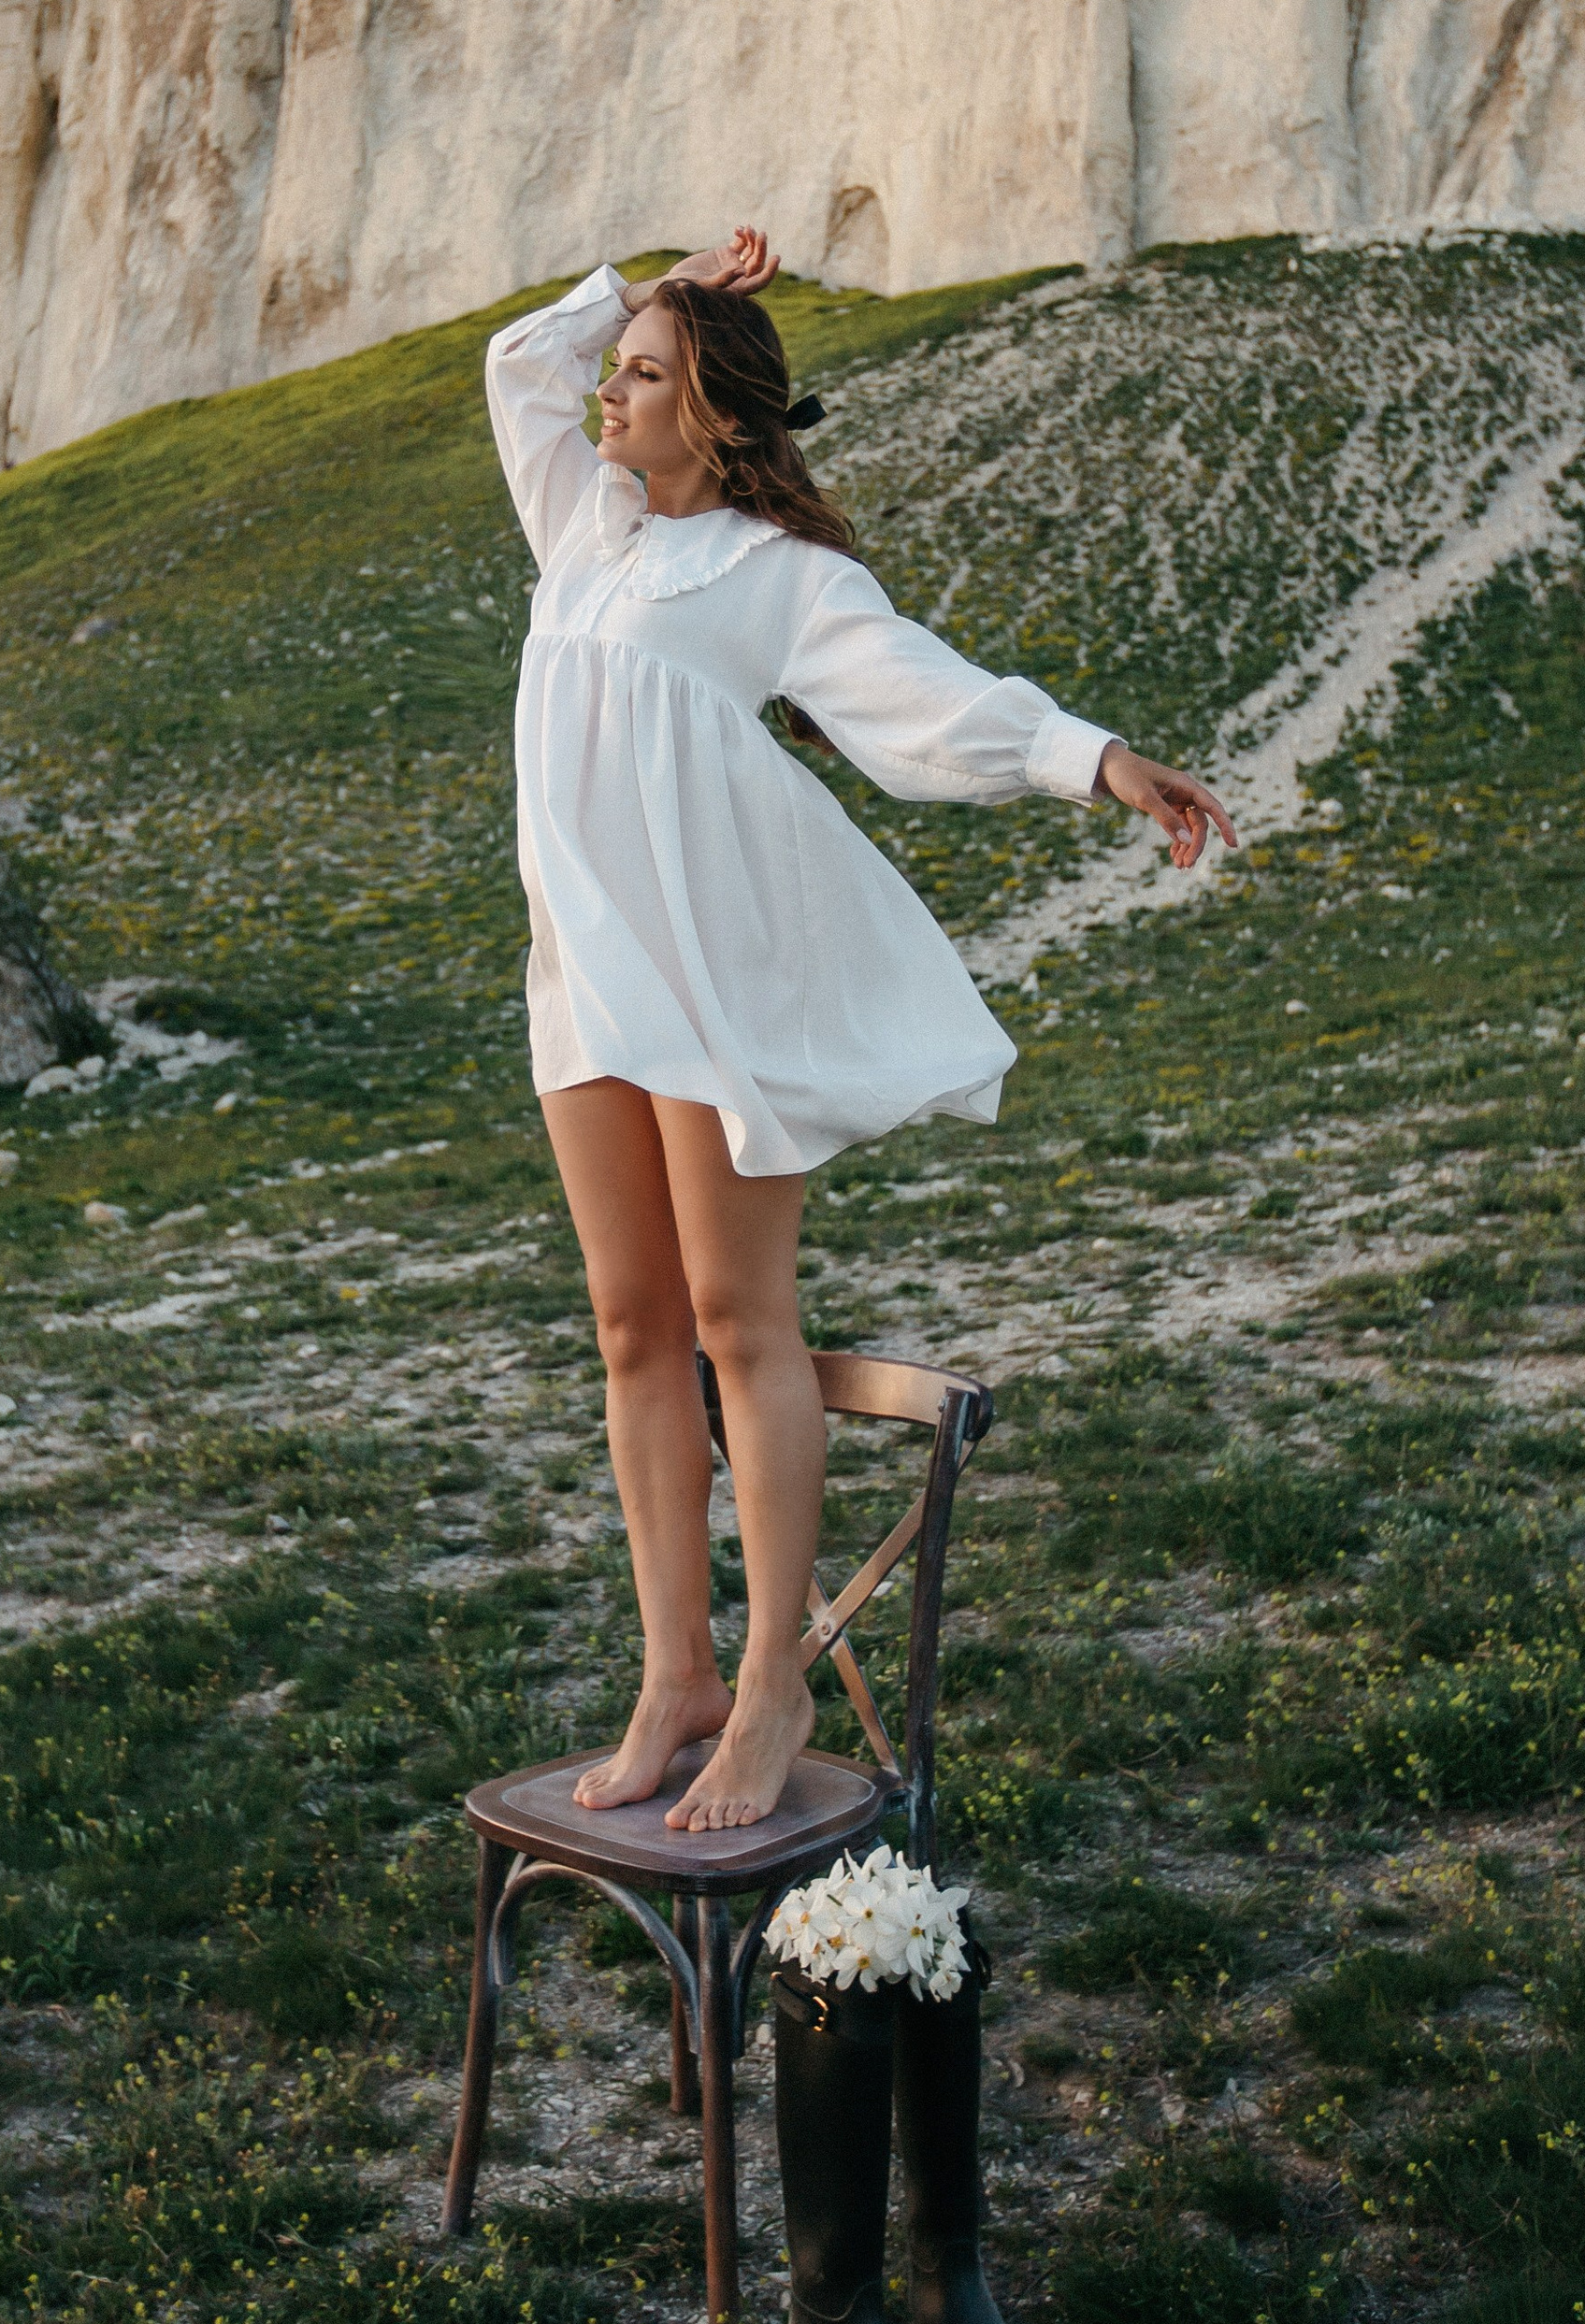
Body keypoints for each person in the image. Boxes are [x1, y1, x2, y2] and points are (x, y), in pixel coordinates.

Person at [485, 228, 1234, 1833]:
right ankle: (672, 1668)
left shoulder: (779, 583)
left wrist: (1094, 760)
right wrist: (648, 290)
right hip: (583, 982)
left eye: (642, 377)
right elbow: (513, 369)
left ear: (718, 418)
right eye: (615, 372)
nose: (607, 392)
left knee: (738, 1324)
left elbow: (927, 699)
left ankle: (770, 1683)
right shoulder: (582, 528)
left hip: (712, 983)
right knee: (633, 1331)